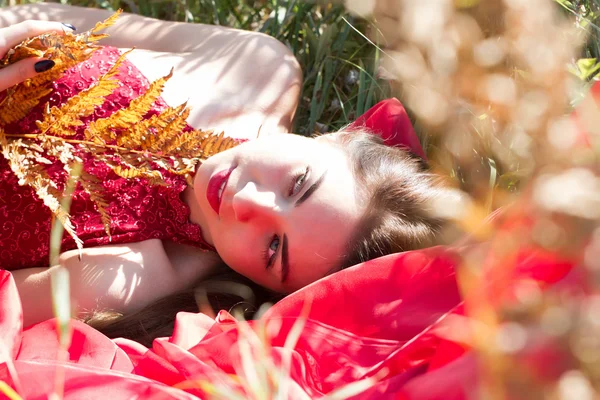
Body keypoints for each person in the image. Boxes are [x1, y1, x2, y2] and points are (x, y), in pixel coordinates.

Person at [0, 4, 447, 341]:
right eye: (298, 184)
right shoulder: (258, 65)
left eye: (274, 249)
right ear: (328, 138)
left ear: (262, 283)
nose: (246, 202)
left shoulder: (129, 276)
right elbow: (33, 14)